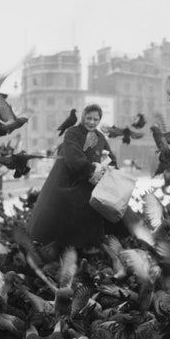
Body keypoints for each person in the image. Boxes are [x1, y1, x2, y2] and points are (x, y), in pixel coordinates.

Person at [27, 104, 129, 250]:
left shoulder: (100, 137)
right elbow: (73, 157)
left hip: (93, 184)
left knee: (104, 211)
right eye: (89, 118)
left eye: (95, 119)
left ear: (99, 120)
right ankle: (69, 248)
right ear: (83, 117)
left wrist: (110, 167)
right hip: (71, 181)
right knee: (71, 215)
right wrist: (91, 169)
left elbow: (111, 159)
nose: (92, 122)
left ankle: (94, 245)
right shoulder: (72, 133)